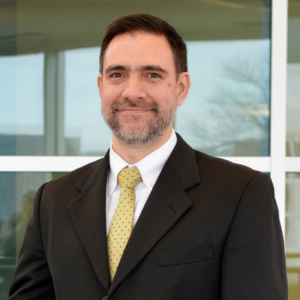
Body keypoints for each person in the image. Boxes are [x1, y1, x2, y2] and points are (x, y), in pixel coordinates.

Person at [9, 14, 287, 300]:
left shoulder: (240, 194)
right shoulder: (53, 201)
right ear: (100, 86)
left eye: (152, 74)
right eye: (117, 74)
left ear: (180, 88)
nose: (133, 91)